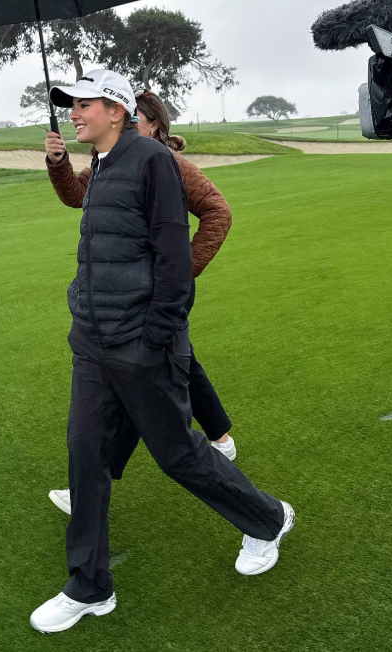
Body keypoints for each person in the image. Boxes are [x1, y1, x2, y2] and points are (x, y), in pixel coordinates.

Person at [29, 70, 293, 634]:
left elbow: (174, 256)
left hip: (142, 343)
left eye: (83, 104)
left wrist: (157, 333)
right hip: (93, 341)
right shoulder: (99, 163)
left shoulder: (153, 161)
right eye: (70, 105)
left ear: (117, 110)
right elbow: (84, 214)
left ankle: (267, 520)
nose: (73, 113)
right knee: (86, 456)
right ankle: (90, 585)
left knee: (178, 455)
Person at [44, 89, 235, 518]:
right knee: (147, 386)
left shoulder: (166, 164)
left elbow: (218, 212)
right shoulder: (109, 162)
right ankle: (93, 481)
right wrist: (58, 165)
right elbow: (78, 195)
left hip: (157, 296)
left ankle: (224, 452)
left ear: (150, 125)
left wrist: (182, 271)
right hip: (129, 303)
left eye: (138, 121)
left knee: (167, 386)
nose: (133, 129)